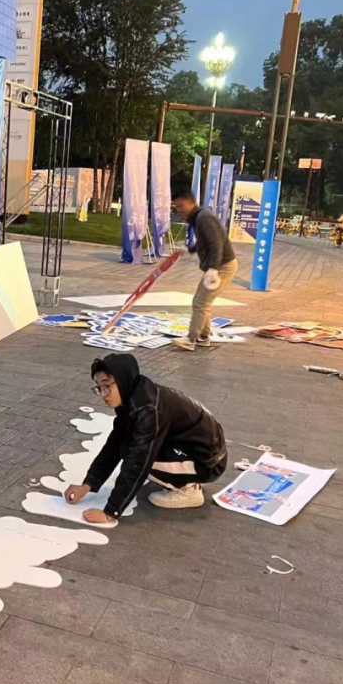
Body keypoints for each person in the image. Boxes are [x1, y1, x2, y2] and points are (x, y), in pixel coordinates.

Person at [63, 354, 228, 524]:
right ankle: (186, 477)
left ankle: (188, 489)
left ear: (123, 379)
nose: (103, 394)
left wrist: (111, 511)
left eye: (107, 386)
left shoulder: (147, 409)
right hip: (201, 451)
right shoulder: (135, 395)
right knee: (126, 443)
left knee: (132, 452)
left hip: (208, 463)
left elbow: (138, 461)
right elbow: (114, 443)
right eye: (99, 388)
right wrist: (88, 484)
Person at [170, 190, 238, 350]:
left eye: (181, 206)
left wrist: (213, 269)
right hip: (218, 265)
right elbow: (203, 240)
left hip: (223, 265)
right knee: (203, 301)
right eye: (176, 207)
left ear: (191, 202)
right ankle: (203, 336)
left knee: (200, 302)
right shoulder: (197, 218)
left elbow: (216, 243)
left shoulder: (204, 218)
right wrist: (190, 249)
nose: (179, 210)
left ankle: (191, 339)